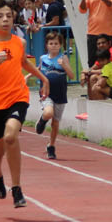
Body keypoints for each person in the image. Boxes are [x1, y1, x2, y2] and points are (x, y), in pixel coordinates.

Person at [0, 0, 49, 208]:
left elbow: (23, 63)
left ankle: (16, 188)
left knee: (11, 137)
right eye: (0, 16)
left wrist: (43, 78)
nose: (5, 20)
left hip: (17, 97)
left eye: (8, 16)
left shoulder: (19, 42)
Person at [34, 30, 74, 160]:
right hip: (46, 92)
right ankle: (42, 120)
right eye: (51, 43)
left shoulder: (63, 58)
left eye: (56, 43)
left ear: (60, 45)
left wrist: (64, 66)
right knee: (48, 113)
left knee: (55, 123)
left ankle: (51, 145)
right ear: (47, 45)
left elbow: (72, 76)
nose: (54, 46)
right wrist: (28, 76)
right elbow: (38, 69)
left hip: (60, 93)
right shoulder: (43, 58)